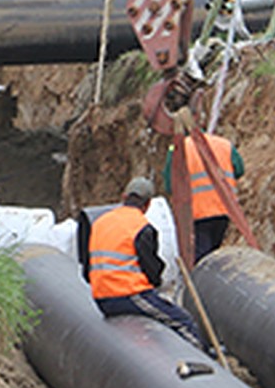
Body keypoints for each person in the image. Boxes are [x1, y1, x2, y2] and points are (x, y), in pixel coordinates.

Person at [84, 176, 209, 352]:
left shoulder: (99, 223)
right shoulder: (141, 227)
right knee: (183, 322)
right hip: (128, 295)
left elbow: (86, 269)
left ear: (124, 196)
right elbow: (152, 270)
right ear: (147, 204)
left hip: (100, 297)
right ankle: (203, 360)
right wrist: (157, 285)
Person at [162, 131, 245, 262]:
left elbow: (169, 185)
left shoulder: (177, 148)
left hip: (197, 212)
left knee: (202, 258)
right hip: (223, 209)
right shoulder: (224, 144)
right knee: (213, 253)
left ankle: (202, 281)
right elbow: (239, 169)